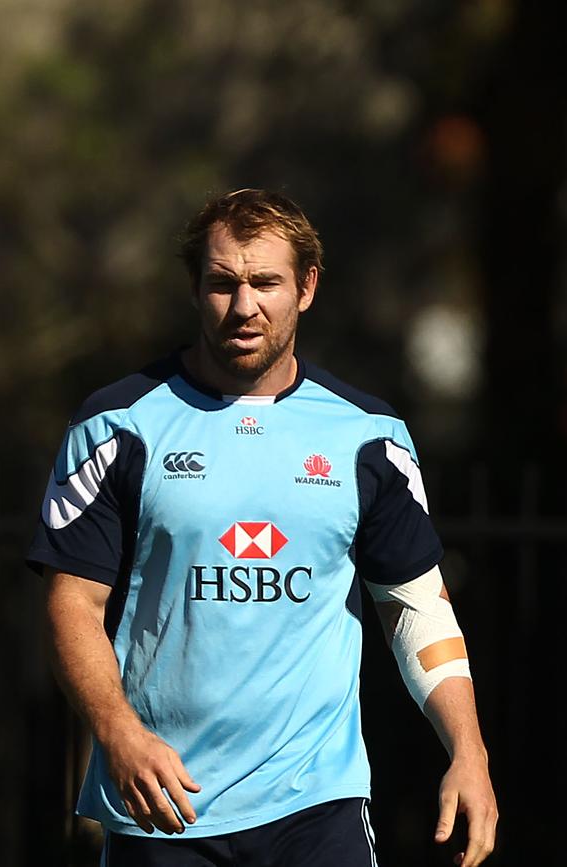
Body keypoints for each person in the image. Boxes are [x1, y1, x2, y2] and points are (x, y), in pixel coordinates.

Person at [27, 188, 498, 867]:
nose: (244, 305)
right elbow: (71, 603)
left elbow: (416, 608)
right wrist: (117, 733)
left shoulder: (368, 437)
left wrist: (469, 752)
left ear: (305, 287)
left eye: (265, 282)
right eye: (223, 283)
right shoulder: (116, 425)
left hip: (317, 804)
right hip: (163, 803)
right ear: (195, 288)